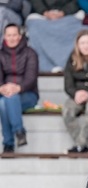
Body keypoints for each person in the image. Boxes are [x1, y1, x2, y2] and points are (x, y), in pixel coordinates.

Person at [0, 23, 38, 153]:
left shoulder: (30, 53)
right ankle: (19, 131)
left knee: (7, 101)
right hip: (5, 94)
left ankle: (8, 143)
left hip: (28, 94)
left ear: (20, 36)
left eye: (14, 35)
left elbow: (31, 78)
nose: (11, 38)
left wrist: (18, 88)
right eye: (9, 35)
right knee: (3, 102)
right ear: (4, 37)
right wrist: (2, 88)